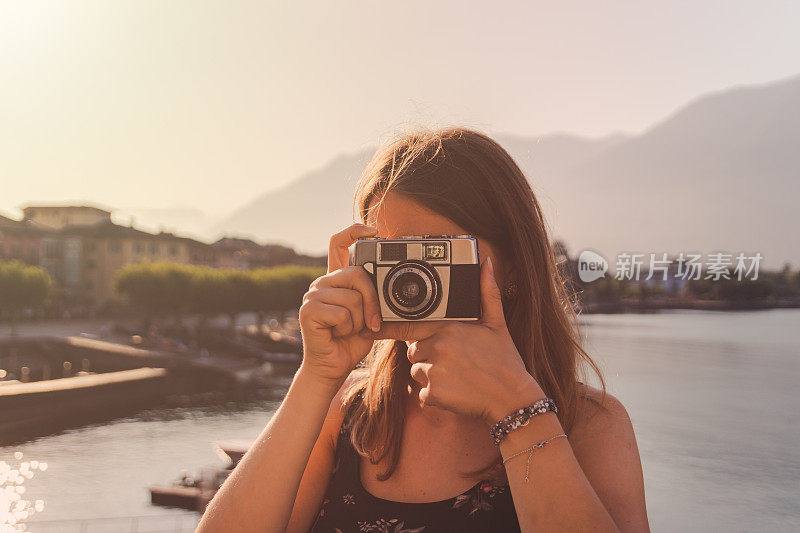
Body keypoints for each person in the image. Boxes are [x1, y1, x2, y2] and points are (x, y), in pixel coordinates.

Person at [197, 128, 649, 532]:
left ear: (513, 265)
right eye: (391, 254)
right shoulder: (346, 412)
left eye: (439, 251)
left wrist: (516, 408)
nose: (411, 279)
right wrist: (316, 376)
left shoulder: (587, 425)